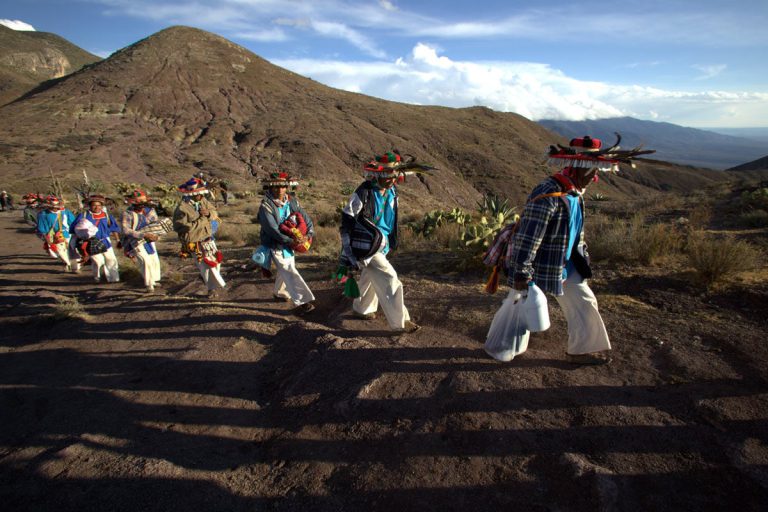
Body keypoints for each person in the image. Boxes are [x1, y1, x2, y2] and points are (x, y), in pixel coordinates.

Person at [508, 135, 653, 365]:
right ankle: (505, 344)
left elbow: (574, 231)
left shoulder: (574, 192)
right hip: (543, 263)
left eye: (595, 171)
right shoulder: (549, 192)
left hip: (567, 263)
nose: (594, 177)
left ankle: (581, 350)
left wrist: (582, 255)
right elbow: (530, 235)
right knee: (521, 305)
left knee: (584, 301)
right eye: (591, 171)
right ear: (576, 167)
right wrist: (521, 270)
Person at [339, 152, 423, 333]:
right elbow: (347, 220)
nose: (391, 179)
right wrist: (347, 253)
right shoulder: (363, 192)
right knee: (390, 278)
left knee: (369, 276)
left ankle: (362, 308)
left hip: (382, 244)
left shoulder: (392, 191)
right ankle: (401, 322)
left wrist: (391, 241)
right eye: (387, 175)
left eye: (394, 175)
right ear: (377, 174)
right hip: (367, 245)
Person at [256, 171, 316, 315]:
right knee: (288, 269)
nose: (280, 189)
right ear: (270, 187)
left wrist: (308, 234)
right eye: (276, 187)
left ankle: (280, 293)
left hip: (291, 241)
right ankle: (304, 302)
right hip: (276, 243)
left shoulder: (292, 201)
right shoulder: (266, 206)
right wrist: (291, 241)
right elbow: (272, 229)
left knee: (286, 268)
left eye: (283, 186)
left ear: (287, 187)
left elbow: (305, 218)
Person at [173, 177, 226, 297]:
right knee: (207, 266)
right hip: (194, 241)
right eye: (199, 194)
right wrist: (203, 220)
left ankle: (205, 278)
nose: (201, 195)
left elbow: (214, 212)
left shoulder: (202, 201)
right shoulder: (182, 208)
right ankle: (212, 289)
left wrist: (209, 213)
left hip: (208, 237)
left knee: (216, 262)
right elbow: (181, 227)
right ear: (192, 194)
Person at [72, 195, 121, 283]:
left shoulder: (106, 216)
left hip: (105, 241)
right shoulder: (83, 216)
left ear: (102, 206)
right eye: (94, 205)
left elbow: (114, 228)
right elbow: (75, 229)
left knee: (111, 260)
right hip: (91, 242)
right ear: (90, 206)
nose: (97, 207)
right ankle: (97, 277)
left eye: (99, 205)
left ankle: (113, 279)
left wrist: (117, 240)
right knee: (99, 261)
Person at [121, 189, 162, 292]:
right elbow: (126, 229)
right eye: (138, 202)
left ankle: (153, 280)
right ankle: (149, 284)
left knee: (153, 259)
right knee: (145, 261)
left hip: (149, 239)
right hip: (135, 241)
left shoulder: (150, 211)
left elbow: (155, 224)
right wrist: (142, 234)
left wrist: (156, 235)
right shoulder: (128, 213)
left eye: (143, 202)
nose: (141, 204)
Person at [36, 195, 79, 272]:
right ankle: (68, 264)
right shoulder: (43, 214)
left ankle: (75, 267)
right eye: (53, 206)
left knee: (72, 250)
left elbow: (73, 223)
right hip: (54, 236)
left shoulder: (66, 212)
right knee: (61, 251)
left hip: (68, 234)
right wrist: (47, 240)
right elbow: (42, 228)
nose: (55, 208)